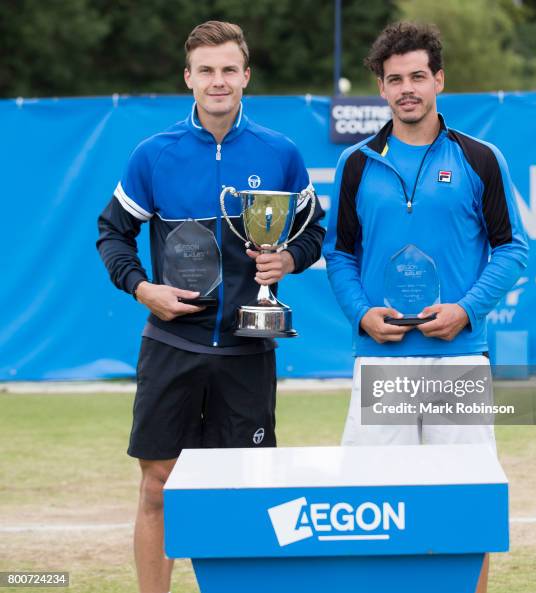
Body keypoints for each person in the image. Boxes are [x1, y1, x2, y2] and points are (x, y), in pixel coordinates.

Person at [96, 20, 324, 593]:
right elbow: (112, 232)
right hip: (172, 344)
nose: (217, 81)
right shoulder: (154, 155)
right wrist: (143, 289)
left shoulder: (281, 153)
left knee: (248, 490)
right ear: (188, 79)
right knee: (158, 485)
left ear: (245, 76)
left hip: (248, 347)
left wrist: (289, 261)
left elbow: (313, 232)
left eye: (228, 70)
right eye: (206, 71)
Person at [323, 22, 528, 592]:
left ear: (439, 79)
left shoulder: (480, 159)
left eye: (418, 76)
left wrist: (466, 310)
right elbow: (339, 256)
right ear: (382, 90)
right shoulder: (357, 165)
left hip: (457, 359)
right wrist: (362, 314)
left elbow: (512, 249)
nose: (407, 88)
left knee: (467, 504)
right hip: (382, 363)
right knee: (374, 505)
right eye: (395, 79)